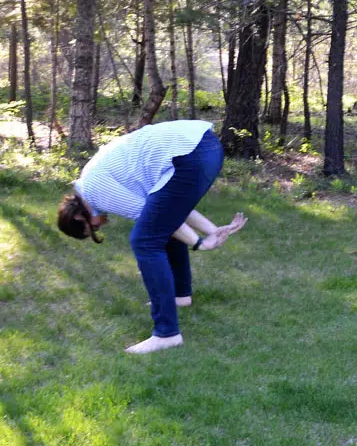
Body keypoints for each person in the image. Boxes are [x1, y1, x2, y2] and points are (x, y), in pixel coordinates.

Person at [57, 120, 247, 354]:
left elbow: (156, 216)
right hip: (206, 147)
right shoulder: (92, 179)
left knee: (144, 240)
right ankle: (181, 296)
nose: (100, 226)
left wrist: (198, 243)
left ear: (79, 218)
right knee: (158, 228)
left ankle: (167, 334)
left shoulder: (95, 191)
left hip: (189, 153)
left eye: (93, 229)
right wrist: (211, 230)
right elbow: (166, 211)